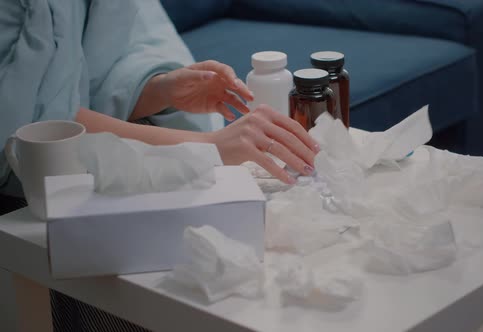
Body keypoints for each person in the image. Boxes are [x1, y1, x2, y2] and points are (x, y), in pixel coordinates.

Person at [0, 0, 317, 330]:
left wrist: (162, 89)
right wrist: (207, 147)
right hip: (43, 189)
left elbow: (101, 68)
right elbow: (32, 119)